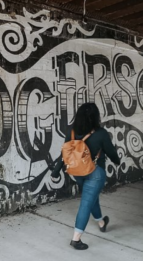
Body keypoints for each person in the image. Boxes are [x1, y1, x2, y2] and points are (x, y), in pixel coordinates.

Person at [51, 102, 120, 250]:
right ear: (96, 117)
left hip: (77, 172)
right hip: (95, 173)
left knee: (91, 197)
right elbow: (111, 152)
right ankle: (76, 239)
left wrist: (56, 171)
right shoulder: (101, 133)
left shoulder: (71, 131)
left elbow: (64, 154)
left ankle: (101, 223)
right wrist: (117, 161)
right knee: (86, 202)